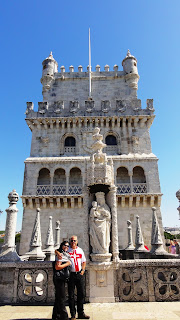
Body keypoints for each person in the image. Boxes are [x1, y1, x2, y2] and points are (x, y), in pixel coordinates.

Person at [68, 235, 90, 320]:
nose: (73, 242)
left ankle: (81, 313)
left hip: (79, 274)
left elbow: (83, 261)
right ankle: (73, 315)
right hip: (71, 275)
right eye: (72, 240)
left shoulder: (80, 250)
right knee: (71, 295)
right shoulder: (67, 250)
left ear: (77, 241)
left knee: (81, 294)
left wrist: (83, 270)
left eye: (74, 241)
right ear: (70, 241)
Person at [52, 240, 71, 320]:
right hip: (59, 278)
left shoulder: (63, 253)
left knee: (58, 297)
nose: (66, 247)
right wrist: (67, 263)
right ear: (61, 245)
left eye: (67, 246)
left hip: (61, 278)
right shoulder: (60, 254)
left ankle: (56, 316)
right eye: (65, 245)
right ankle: (64, 317)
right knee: (62, 297)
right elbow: (57, 267)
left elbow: (55, 250)